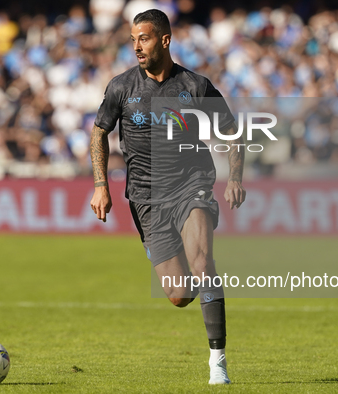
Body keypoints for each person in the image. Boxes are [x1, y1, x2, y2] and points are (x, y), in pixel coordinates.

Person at [90, 9, 246, 385]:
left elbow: (232, 133)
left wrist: (235, 177)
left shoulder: (195, 86)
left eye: (143, 38)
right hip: (145, 198)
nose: (136, 47)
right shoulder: (121, 87)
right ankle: (191, 280)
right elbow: (98, 133)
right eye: (132, 40)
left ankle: (218, 364)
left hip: (191, 186)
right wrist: (100, 185)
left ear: (164, 40)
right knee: (178, 295)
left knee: (202, 261)